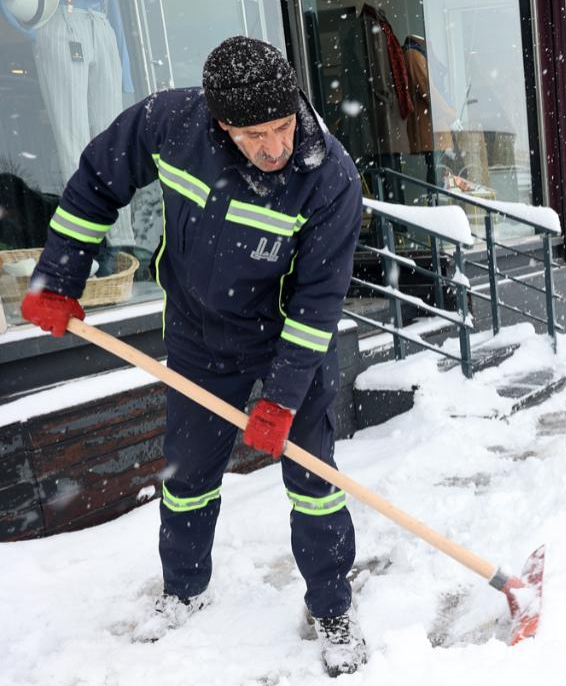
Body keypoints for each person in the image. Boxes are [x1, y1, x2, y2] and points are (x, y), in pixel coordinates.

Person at [20, 36, 367, 676]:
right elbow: (97, 180)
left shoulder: (330, 181)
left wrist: (282, 397)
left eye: (284, 126)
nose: (274, 148)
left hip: (286, 343)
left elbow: (318, 304)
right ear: (220, 122)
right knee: (186, 477)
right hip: (198, 338)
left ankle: (332, 605)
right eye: (253, 134)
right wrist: (58, 276)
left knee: (315, 481)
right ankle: (182, 589)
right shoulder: (169, 124)